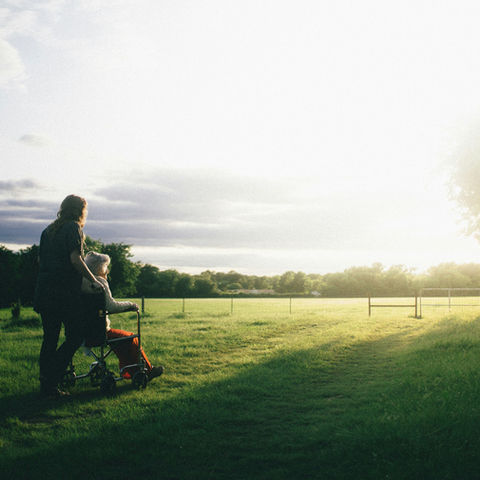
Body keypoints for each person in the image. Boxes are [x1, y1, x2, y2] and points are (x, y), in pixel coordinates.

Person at [34, 195, 104, 398]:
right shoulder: (73, 228)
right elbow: (75, 259)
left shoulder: (48, 230)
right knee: (75, 336)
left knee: (50, 338)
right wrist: (93, 280)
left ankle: (46, 385)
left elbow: (40, 260)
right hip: (63, 294)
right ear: (80, 210)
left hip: (44, 291)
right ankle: (51, 378)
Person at [81, 251, 164, 382]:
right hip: (99, 331)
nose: (107, 270)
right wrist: (130, 305)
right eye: (105, 267)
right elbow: (112, 306)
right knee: (131, 338)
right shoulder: (99, 282)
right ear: (99, 268)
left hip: (82, 332)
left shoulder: (81, 281)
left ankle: (130, 371)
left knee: (122, 339)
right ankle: (147, 370)